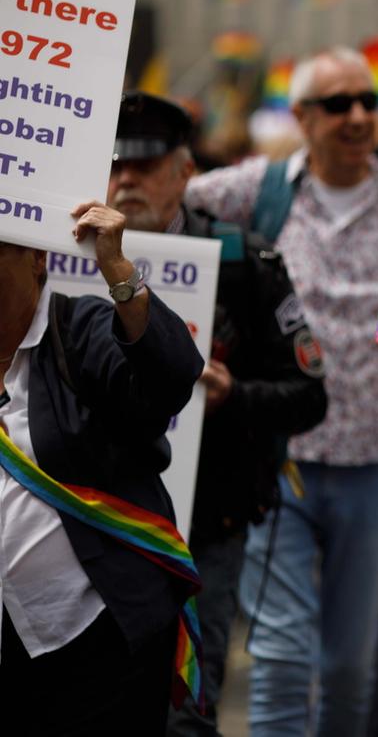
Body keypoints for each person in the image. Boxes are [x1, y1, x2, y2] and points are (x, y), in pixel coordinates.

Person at [184, 46, 378, 736]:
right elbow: (166, 207)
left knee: (350, 669)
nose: (357, 116)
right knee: (282, 659)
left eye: (367, 101)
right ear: (300, 117)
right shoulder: (254, 191)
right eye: (337, 104)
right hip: (278, 466)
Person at [107, 91, 330, 736]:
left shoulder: (244, 264)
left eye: (145, 166)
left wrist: (235, 394)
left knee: (190, 703)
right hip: (92, 521)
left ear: (183, 172)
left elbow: (310, 394)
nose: (125, 179)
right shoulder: (56, 264)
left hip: (205, 527)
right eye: (115, 164)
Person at [0, 206, 204, 733]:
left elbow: (172, 376)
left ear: (37, 259)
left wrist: (117, 267)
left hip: (101, 642)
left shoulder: (78, 331)